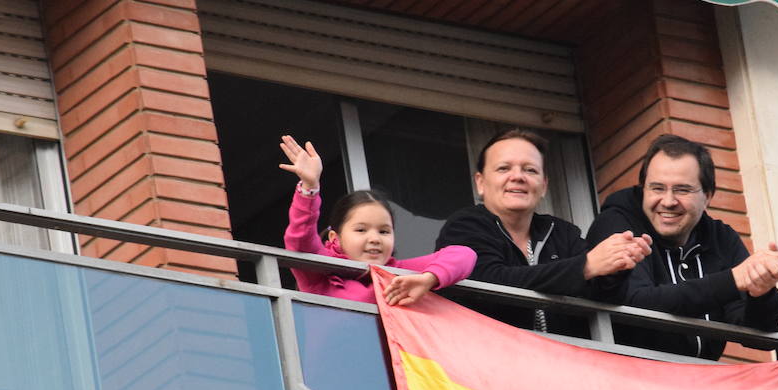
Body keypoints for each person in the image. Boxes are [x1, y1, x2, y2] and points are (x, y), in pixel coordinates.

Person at [585, 134, 778, 360]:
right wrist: (731, 281)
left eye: (682, 190)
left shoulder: (721, 238)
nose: (668, 201)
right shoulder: (618, 226)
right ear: (643, 189)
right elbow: (636, 304)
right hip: (628, 377)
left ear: (708, 196)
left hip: (700, 383)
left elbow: (759, 337)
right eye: (657, 188)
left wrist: (761, 293)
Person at [436, 128, 651, 334]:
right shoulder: (464, 226)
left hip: (564, 362)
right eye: (504, 168)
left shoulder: (562, 232)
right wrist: (586, 266)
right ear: (480, 183)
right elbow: (488, 281)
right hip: (488, 360)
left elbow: (602, 295)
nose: (518, 176)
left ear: (544, 185)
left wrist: (616, 266)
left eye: (530, 170)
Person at [279, 135, 475, 305]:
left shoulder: (398, 272)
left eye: (384, 231)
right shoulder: (322, 271)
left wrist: (429, 278)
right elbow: (299, 240)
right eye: (361, 230)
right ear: (335, 237)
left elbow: (464, 254)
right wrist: (309, 187)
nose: (375, 238)